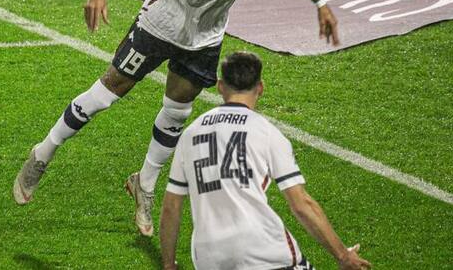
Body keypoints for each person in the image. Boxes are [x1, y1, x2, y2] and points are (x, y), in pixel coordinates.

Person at [13, 0, 339, 236]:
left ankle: (145, 185)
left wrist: (319, 2)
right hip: (158, 28)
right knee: (106, 94)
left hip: (203, 41)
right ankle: (43, 154)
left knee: (177, 113)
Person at [159, 51, 371, 270]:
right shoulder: (266, 133)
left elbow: (170, 207)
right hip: (262, 250)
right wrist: (343, 256)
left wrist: (168, 265)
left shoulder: (190, 135)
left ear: (221, 86)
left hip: (209, 258)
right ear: (260, 88)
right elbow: (301, 204)